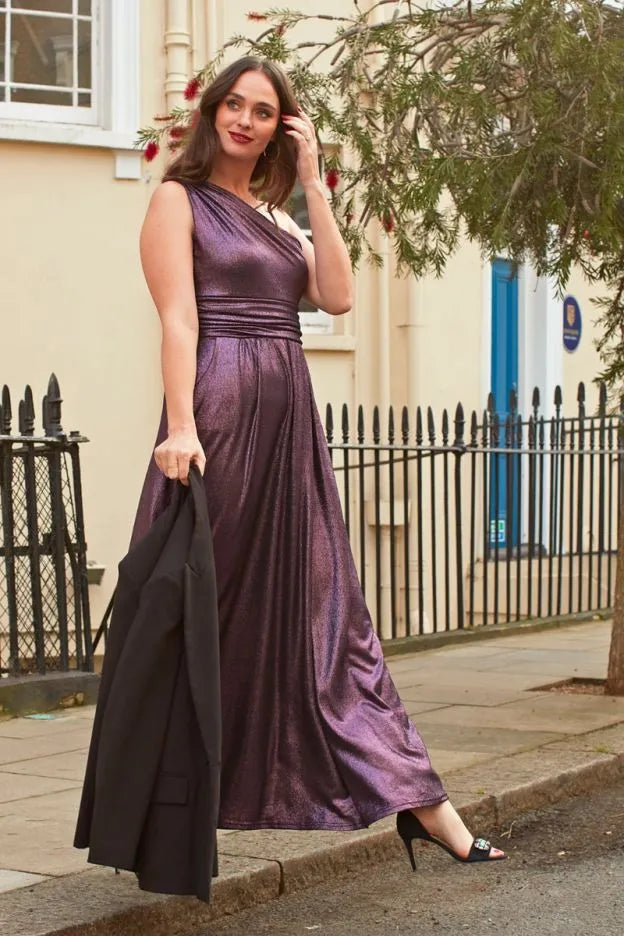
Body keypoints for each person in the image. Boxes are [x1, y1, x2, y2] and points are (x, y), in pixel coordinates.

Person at [132, 55, 505, 867]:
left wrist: (314, 183)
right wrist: (182, 426)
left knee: (328, 617)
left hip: (289, 422)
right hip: (221, 409)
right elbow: (179, 322)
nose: (245, 119)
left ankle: (421, 800)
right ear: (213, 112)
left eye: (263, 111)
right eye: (234, 104)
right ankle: (163, 816)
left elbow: (336, 296)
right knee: (204, 612)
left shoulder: (277, 216)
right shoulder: (177, 200)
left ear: (281, 127)